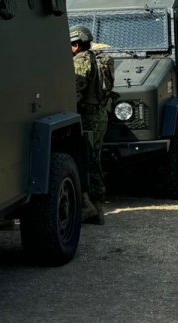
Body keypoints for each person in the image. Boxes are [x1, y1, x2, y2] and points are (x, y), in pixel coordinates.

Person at [71, 24, 108, 225]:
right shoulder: (94, 58)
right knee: (94, 159)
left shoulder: (80, 62)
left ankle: (93, 207)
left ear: (76, 45)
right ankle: (96, 208)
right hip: (98, 115)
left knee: (90, 161)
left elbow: (75, 91)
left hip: (88, 117)